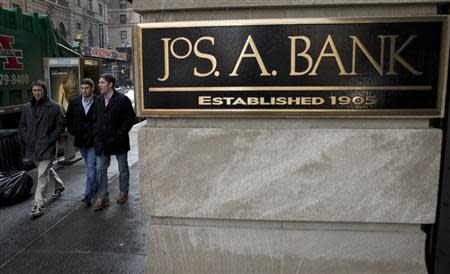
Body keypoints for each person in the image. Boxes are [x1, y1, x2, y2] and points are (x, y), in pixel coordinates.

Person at [19, 80, 65, 217]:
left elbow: (61, 125)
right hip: (33, 147)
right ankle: (60, 185)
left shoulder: (55, 107)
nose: (37, 93)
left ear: (44, 91)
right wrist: (26, 139)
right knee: (44, 171)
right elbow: (22, 126)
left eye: (39, 90)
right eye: (34, 90)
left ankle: (39, 205)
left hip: (47, 147)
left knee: (41, 176)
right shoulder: (27, 107)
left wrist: (51, 139)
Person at [92, 73, 136, 210]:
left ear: (110, 84)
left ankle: (123, 192)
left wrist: (120, 134)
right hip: (102, 141)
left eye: (102, 82)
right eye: (99, 83)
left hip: (118, 140)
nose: (99, 85)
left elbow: (130, 119)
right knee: (100, 169)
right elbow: (95, 119)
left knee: (122, 167)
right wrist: (96, 134)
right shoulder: (98, 100)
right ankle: (103, 196)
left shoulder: (122, 100)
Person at [66, 78, 98, 207]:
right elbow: (69, 119)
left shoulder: (99, 101)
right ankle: (96, 185)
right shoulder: (74, 102)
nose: (84, 91)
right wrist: (74, 131)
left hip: (94, 141)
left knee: (90, 167)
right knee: (91, 167)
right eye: (82, 88)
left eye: (87, 88)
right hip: (81, 141)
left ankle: (88, 194)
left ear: (92, 88)